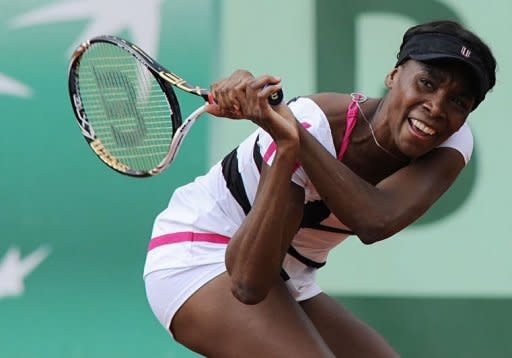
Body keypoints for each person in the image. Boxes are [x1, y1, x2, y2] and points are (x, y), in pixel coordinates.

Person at [143, 20, 496, 357]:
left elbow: (375, 219)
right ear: (393, 75)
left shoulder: (451, 142)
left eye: (459, 101)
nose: (436, 108)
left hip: (288, 275)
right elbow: (248, 285)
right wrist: (286, 146)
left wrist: (293, 133)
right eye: (427, 84)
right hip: (197, 253)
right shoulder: (317, 122)